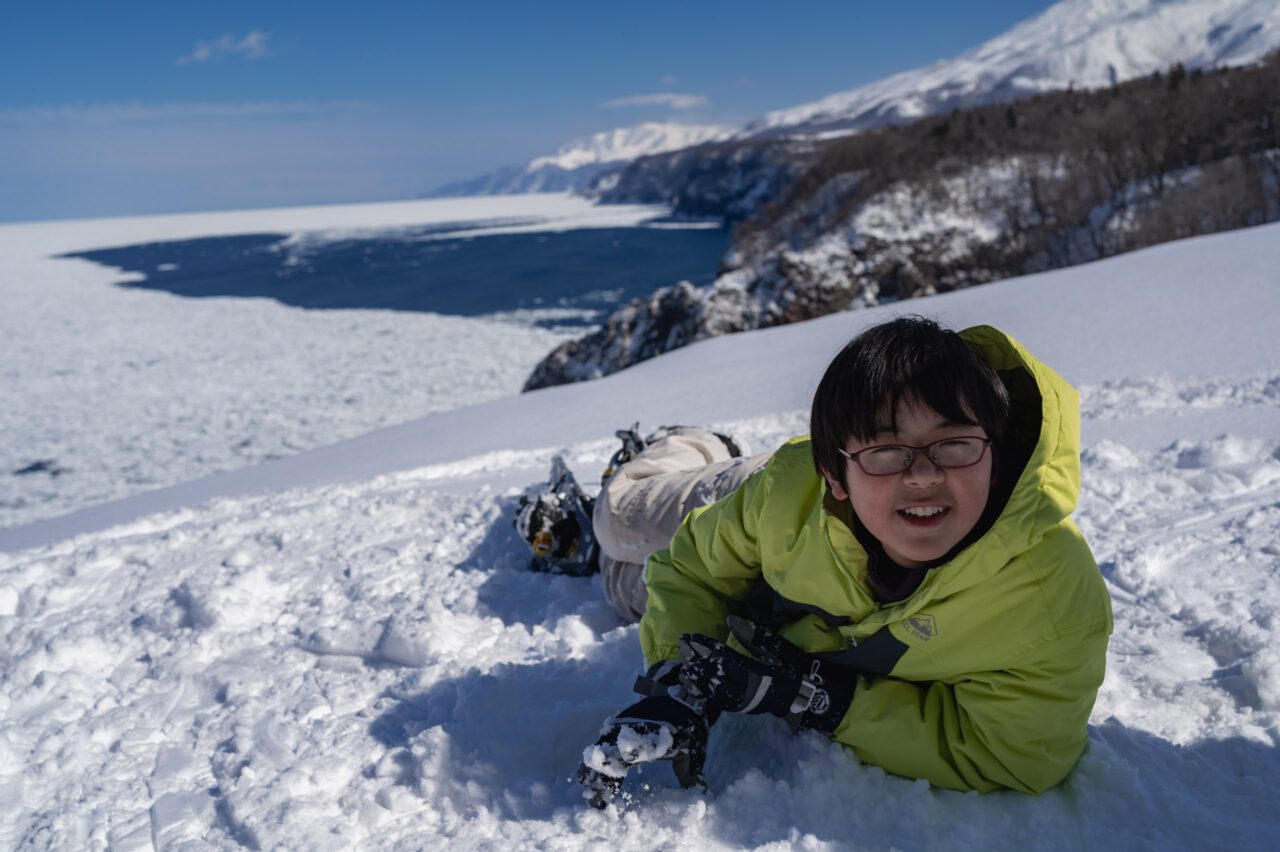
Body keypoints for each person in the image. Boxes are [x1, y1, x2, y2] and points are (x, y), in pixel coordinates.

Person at [536, 316, 1112, 804]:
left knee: (623, 589)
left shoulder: (1052, 601)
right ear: (833, 472)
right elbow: (689, 569)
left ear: (994, 449)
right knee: (615, 519)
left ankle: (597, 552)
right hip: (758, 494)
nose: (923, 475)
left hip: (782, 571)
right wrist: (675, 683)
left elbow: (1009, 757)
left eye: (955, 444)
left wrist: (820, 697)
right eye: (889, 449)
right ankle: (687, 443)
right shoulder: (794, 490)